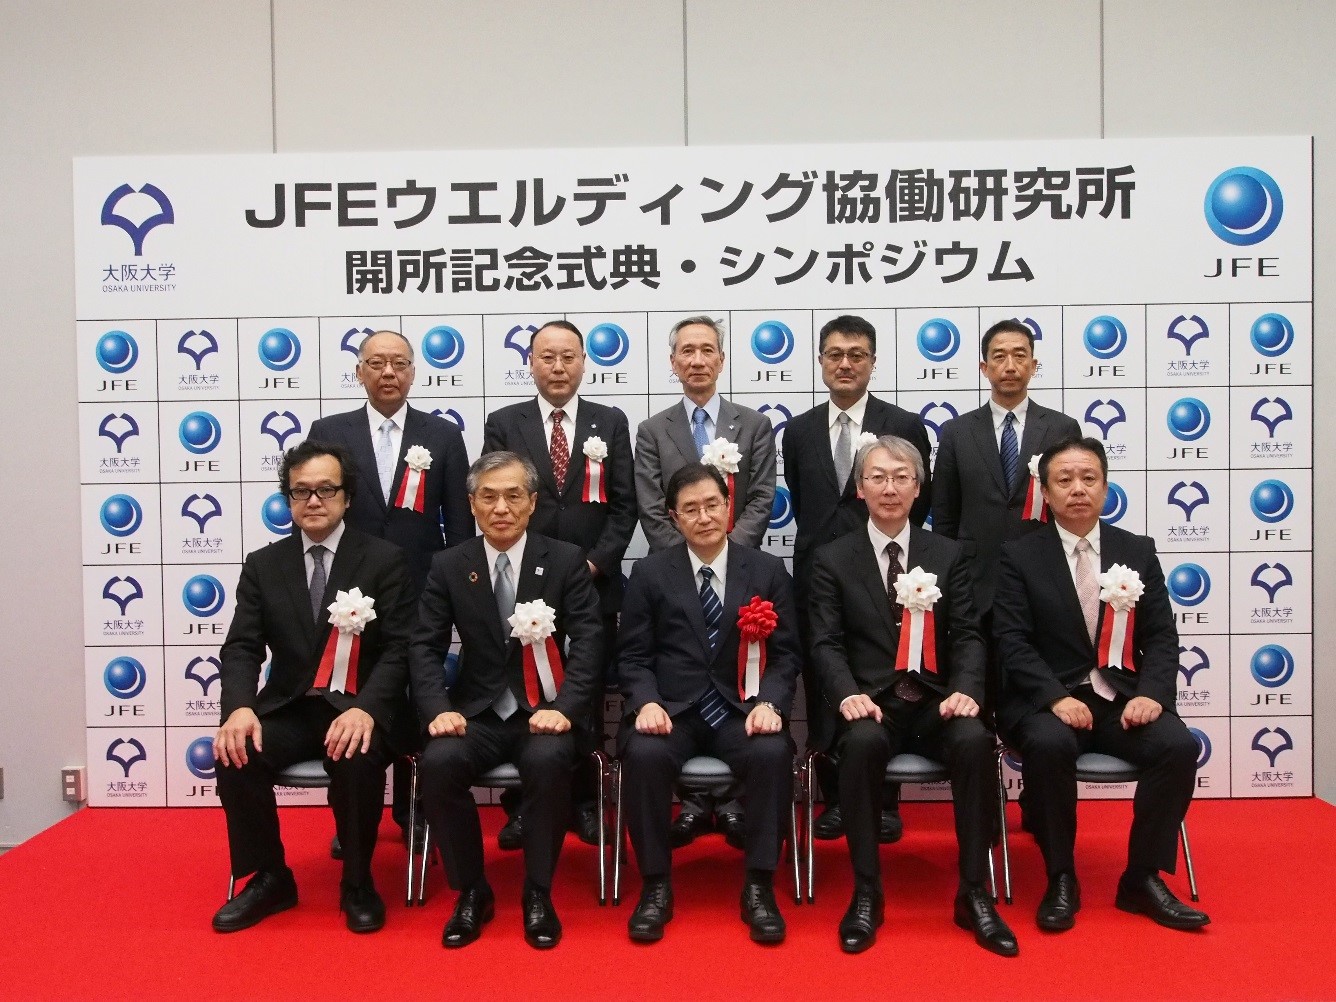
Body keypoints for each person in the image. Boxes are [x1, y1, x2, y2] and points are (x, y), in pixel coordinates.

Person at [809, 435, 1017, 957]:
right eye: (877, 477)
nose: (890, 488)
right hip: (871, 703)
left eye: (902, 477)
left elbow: (968, 634)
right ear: (859, 488)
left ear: (919, 487)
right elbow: (825, 641)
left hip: (936, 702)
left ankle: (974, 892)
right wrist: (846, 694)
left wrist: (966, 690)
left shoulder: (948, 554)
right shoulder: (832, 558)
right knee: (860, 744)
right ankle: (867, 891)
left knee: (974, 741)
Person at [994, 436, 1209, 933]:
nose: (1078, 489)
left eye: (1089, 478)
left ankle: (1141, 878)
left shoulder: (1137, 550)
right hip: (1048, 700)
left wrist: (1152, 694)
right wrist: (1055, 697)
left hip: (1122, 699)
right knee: (1048, 745)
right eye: (1064, 480)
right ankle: (1060, 876)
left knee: (1177, 746)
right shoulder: (1019, 555)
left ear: (1106, 487)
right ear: (1045, 492)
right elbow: (1011, 640)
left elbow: (1161, 636)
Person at [211, 440, 415, 934]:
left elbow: (401, 649)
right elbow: (242, 647)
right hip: (292, 706)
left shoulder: (384, 560)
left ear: (347, 497)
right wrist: (239, 707)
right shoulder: (264, 565)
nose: (314, 501)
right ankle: (270, 877)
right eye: (301, 491)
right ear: (288, 500)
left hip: (360, 708)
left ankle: (358, 883)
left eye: (326, 489)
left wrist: (368, 708)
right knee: (237, 752)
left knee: (357, 756)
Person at [410, 452, 604, 950]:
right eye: (489, 497)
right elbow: (424, 646)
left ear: (533, 502)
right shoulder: (449, 565)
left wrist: (565, 709)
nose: (501, 508)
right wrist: (437, 710)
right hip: (475, 713)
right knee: (439, 763)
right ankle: (472, 890)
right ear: (472, 504)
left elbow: (589, 640)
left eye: (513, 496)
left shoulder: (564, 559)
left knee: (549, 762)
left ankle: (538, 891)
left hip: (545, 711)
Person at [616, 463, 800, 944]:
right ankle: (655, 884)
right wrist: (645, 702)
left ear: (728, 506)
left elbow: (786, 656)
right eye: (691, 509)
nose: (704, 517)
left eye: (712, 505)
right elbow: (632, 656)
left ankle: (759, 884)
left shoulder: (766, 569)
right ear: (674, 517)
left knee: (772, 752)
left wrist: (771, 703)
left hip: (742, 710)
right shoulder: (650, 572)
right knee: (643, 754)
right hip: (673, 711)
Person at [308, 329, 473, 850]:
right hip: (348, 592)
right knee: (347, 695)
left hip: (422, 589)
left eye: (399, 364)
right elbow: (318, 514)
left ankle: (413, 812)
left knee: (419, 696)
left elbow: (459, 524)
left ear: (413, 373)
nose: (388, 373)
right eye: (376, 363)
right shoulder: (329, 431)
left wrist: (459, 590)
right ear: (359, 371)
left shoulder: (442, 435)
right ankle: (352, 820)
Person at [482, 320, 636, 850]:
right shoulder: (506, 423)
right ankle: (527, 805)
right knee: (525, 690)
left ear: (584, 363)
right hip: (523, 585)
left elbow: (624, 506)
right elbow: (498, 498)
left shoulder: (609, 421)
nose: (558, 367)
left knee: (585, 694)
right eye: (547, 356)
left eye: (568, 356)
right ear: (530, 363)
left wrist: (592, 565)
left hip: (593, 583)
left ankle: (586, 800)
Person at [782, 313, 932, 843]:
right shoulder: (798, 430)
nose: (845, 364)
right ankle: (836, 799)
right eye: (835, 354)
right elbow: (804, 501)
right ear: (821, 361)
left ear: (872, 362)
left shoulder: (904, 424)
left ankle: (883, 802)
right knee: (827, 680)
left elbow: (918, 503)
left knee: (886, 676)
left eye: (857, 355)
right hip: (818, 575)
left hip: (887, 573)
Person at [633, 315, 777, 848]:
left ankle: (734, 804)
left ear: (721, 358)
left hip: (738, 575)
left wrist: (727, 555)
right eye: (686, 351)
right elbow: (653, 506)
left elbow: (762, 496)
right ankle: (694, 806)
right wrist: (689, 556)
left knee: (735, 682)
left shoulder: (753, 425)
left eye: (707, 350)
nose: (697, 360)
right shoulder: (653, 430)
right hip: (677, 578)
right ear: (673, 362)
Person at [930, 318, 1081, 710]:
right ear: (984, 367)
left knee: (1035, 696)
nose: (1010, 365)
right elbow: (945, 515)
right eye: (999, 356)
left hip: (1042, 578)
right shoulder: (957, 432)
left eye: (1019, 355)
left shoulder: (1062, 429)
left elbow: (1071, 509)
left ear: (1033, 364)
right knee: (976, 693)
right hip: (974, 580)